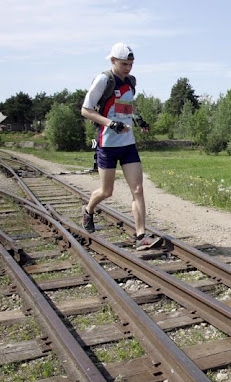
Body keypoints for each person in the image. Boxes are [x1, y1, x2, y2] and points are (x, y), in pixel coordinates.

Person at [80, 42, 160, 250]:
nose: (128, 68)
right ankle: (88, 211)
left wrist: (138, 119)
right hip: (107, 144)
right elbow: (86, 110)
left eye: (131, 64)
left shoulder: (131, 82)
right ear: (113, 61)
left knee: (138, 189)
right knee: (107, 192)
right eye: (124, 64)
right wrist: (110, 124)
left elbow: (125, 108)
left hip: (128, 144)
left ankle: (141, 235)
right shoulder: (104, 80)